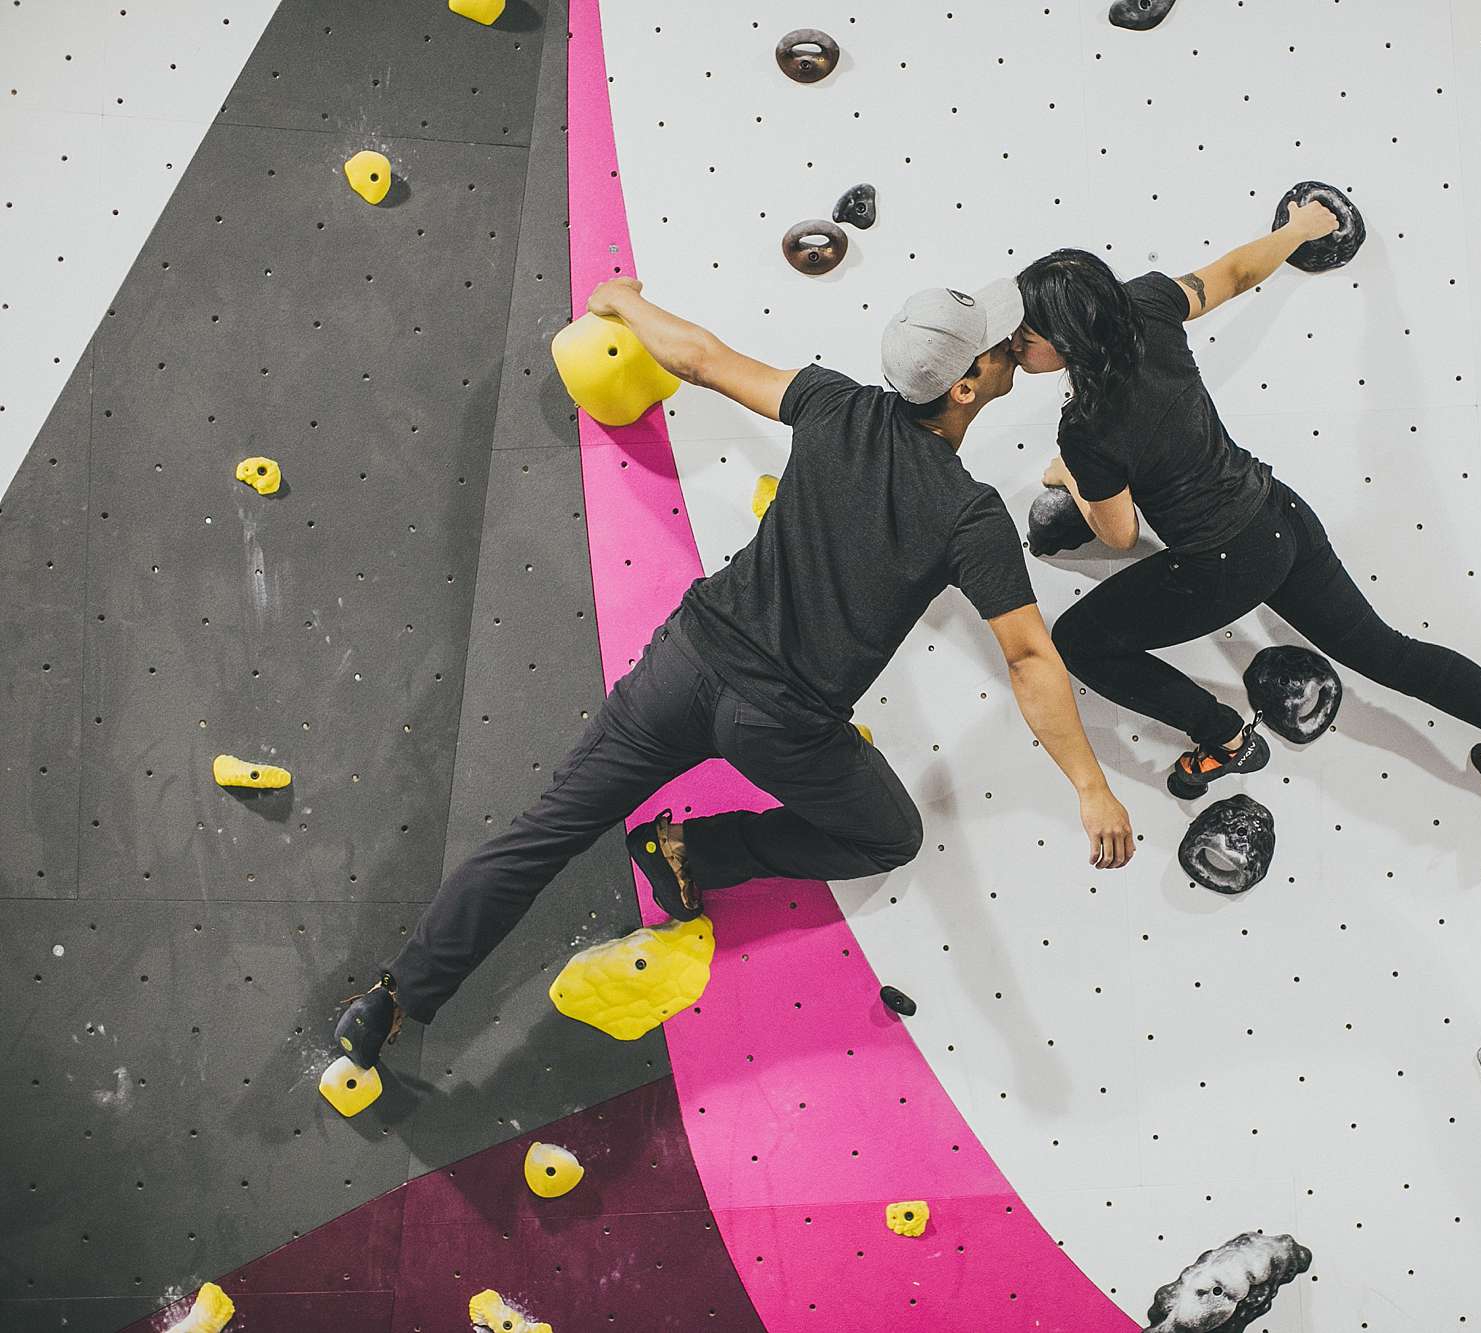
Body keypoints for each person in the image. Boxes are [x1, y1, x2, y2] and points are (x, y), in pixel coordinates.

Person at [333, 277, 1135, 1068]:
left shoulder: (834, 403)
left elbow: (703, 359)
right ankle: (696, 851)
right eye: (1001, 351)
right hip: (780, 722)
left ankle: (394, 999)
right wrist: (1090, 785)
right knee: (890, 833)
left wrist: (623, 301)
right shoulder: (970, 512)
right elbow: (1029, 657)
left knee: (545, 832)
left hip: (686, 662)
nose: (1010, 355)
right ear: (965, 387)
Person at [1009, 202, 1481, 806]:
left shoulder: (1087, 428)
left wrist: (1073, 477)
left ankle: (1226, 739)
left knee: (1079, 641)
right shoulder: (1145, 307)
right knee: (1391, 654)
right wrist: (1302, 229)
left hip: (1222, 563)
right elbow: (1232, 274)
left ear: (1068, 337)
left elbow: (1122, 532)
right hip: (1280, 516)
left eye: (1028, 335)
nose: (1018, 344)